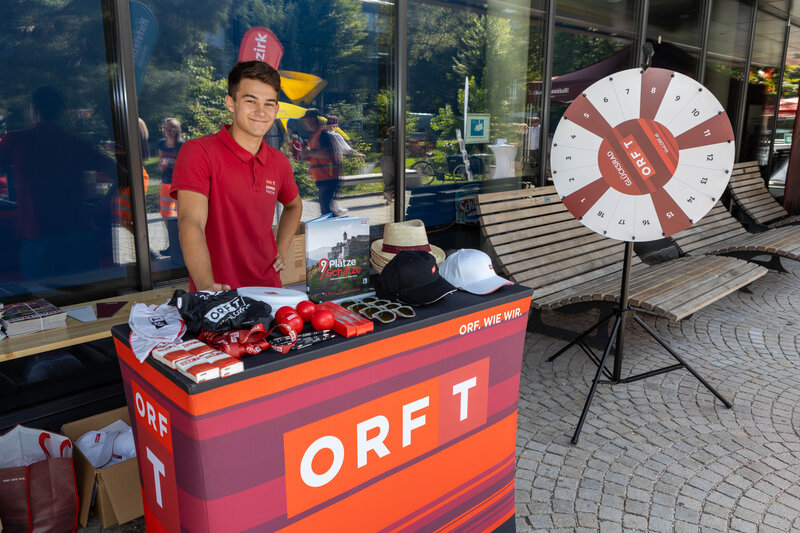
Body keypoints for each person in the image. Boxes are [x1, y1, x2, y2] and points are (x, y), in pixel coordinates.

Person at [171, 61, 302, 292]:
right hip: (220, 292)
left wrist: (281, 249)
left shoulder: (278, 161)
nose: (261, 112)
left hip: (269, 291)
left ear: (276, 109)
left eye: (269, 104)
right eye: (251, 101)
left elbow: (294, 206)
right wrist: (206, 288)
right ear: (231, 103)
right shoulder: (199, 152)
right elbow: (190, 222)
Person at [0, 85, 118, 279]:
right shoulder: (77, 142)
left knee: (44, 300)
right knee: (85, 294)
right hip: (78, 230)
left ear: (33, 109)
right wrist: (101, 205)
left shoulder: (16, 140)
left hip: (37, 232)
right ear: (61, 112)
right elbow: (120, 174)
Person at [300, 108, 340, 215]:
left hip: (329, 176)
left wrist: (309, 153)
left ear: (312, 119)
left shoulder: (323, 134)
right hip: (324, 176)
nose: (304, 123)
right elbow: (317, 154)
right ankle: (332, 227)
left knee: (326, 208)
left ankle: (331, 229)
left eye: (306, 120)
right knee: (326, 207)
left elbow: (326, 153)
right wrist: (310, 163)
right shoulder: (315, 135)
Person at [156, 118, 183, 221]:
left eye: (172, 128)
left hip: (180, 185)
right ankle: (172, 236)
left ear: (177, 130)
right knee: (165, 214)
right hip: (166, 182)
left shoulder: (182, 145)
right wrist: (161, 166)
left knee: (182, 213)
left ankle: (182, 236)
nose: (169, 131)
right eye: (167, 128)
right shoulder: (161, 144)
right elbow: (160, 162)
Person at [379, 126, 394, 202]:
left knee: (387, 179)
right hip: (392, 160)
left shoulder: (385, 141)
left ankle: (388, 198)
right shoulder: (396, 141)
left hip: (384, 159)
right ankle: (389, 194)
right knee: (396, 179)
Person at [523, 116, 541, 180]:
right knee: (531, 162)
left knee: (537, 163)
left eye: (534, 121)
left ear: (538, 122)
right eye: (531, 122)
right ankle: (531, 175)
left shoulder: (540, 129)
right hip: (530, 149)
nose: (532, 123)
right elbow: (524, 131)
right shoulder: (530, 129)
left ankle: (537, 176)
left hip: (537, 149)